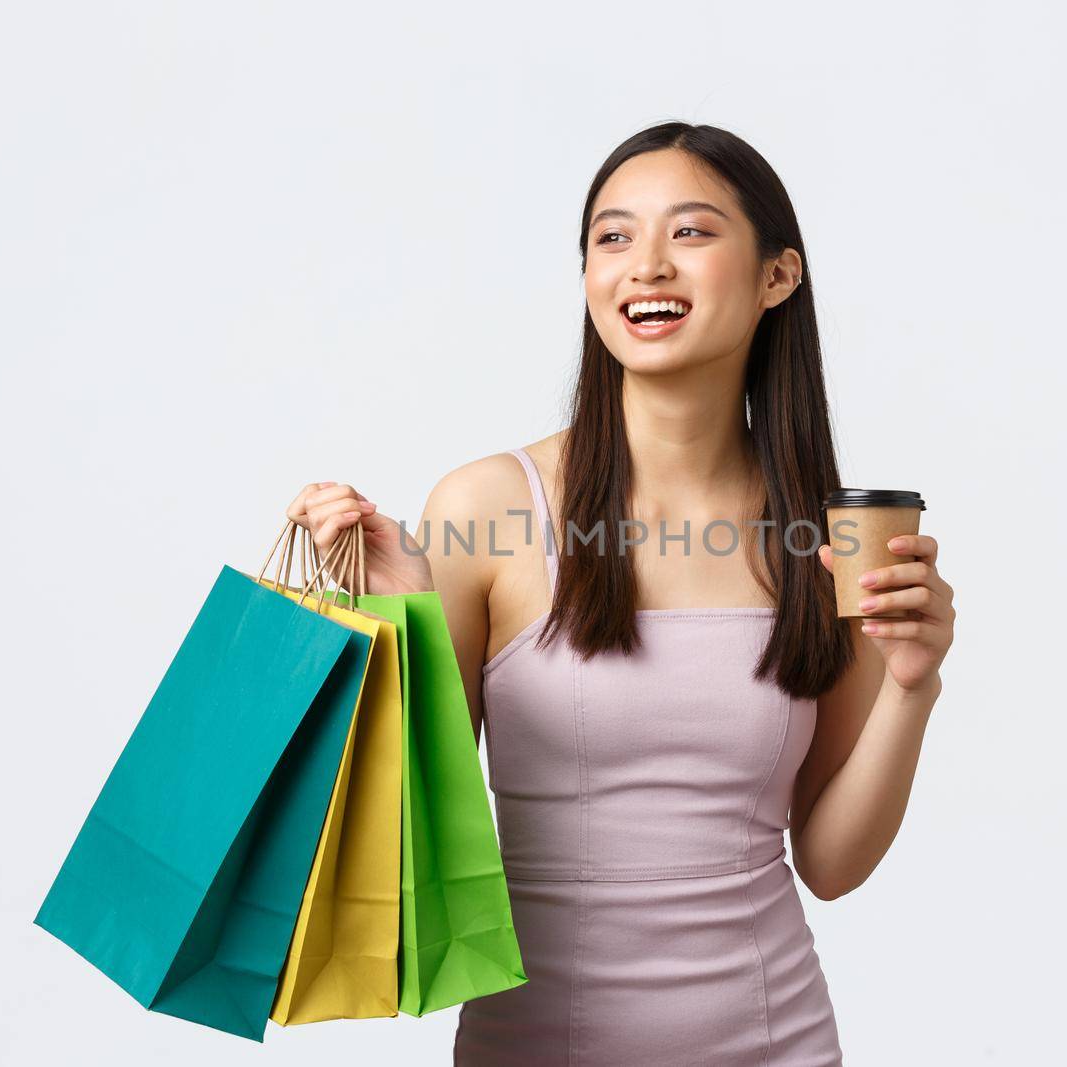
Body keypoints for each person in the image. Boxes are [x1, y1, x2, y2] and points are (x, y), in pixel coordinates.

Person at [285, 121, 956, 1065]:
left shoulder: (829, 533)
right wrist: (390, 622)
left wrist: (912, 688)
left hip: (779, 1042)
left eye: (690, 232)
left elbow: (833, 863)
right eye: (613, 236)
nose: (646, 266)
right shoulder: (486, 505)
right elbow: (411, 838)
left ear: (778, 276)